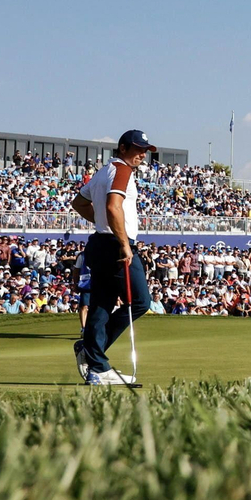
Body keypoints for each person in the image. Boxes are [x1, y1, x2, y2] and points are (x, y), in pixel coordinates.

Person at [71, 131, 156, 385]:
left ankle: (96, 364)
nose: (142, 154)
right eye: (137, 149)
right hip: (116, 245)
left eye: (145, 150)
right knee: (141, 301)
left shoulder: (103, 172)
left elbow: (79, 203)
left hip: (99, 243)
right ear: (122, 148)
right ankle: (93, 354)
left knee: (101, 304)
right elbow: (112, 207)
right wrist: (123, 243)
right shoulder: (122, 171)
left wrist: (104, 223)